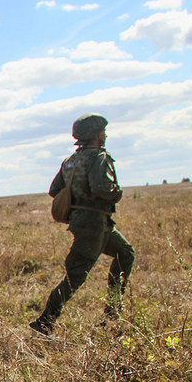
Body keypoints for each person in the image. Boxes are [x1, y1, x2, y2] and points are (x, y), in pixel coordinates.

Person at [30, 113, 135, 336]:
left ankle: (113, 310)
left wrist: (77, 202)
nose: (105, 135)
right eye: (102, 132)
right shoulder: (98, 157)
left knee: (125, 253)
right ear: (96, 135)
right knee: (75, 275)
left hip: (90, 222)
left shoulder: (70, 161)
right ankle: (45, 320)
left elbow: (54, 190)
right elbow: (101, 187)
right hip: (94, 223)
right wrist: (117, 194)